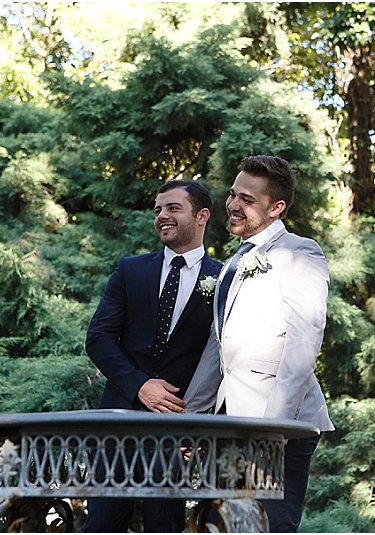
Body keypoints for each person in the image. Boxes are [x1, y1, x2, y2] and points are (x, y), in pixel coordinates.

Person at [184, 155, 334, 533]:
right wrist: (190, 419)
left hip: (276, 425)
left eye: (247, 200)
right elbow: (218, 349)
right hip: (228, 421)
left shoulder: (299, 252)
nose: (233, 205)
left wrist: (275, 428)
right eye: (233, 194)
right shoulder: (235, 261)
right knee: (220, 526)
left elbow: (303, 344)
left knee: (268, 528)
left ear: (276, 208)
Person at [84, 180, 223, 533]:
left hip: (177, 425)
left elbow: (224, 355)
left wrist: (202, 421)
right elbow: (98, 339)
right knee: (102, 522)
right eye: (158, 209)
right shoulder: (130, 270)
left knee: (164, 523)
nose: (162, 215)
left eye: (173, 208)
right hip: (117, 421)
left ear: (202, 216)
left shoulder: (223, 278)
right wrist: (140, 385)